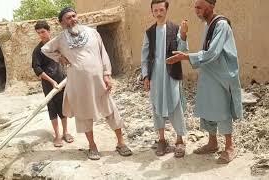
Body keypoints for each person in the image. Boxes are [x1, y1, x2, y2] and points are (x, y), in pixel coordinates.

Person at [41, 7, 132, 160]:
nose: (73, 19)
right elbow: (45, 49)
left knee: (110, 110)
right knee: (84, 115)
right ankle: (92, 146)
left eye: (74, 16)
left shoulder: (92, 33)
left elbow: (104, 54)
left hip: (98, 82)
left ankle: (121, 143)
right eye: (68, 18)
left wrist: (107, 74)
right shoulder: (61, 39)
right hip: (78, 85)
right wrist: (60, 58)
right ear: (62, 23)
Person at [166, 0, 243, 164]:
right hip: (209, 74)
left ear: (211, 6)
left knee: (222, 109)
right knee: (207, 106)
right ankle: (212, 142)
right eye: (195, 7)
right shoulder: (209, 25)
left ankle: (230, 147)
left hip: (221, 75)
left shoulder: (221, 24)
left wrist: (186, 57)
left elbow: (213, 53)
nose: (196, 10)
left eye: (200, 6)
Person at [141, 0, 189, 158]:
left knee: (176, 104)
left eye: (161, 10)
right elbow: (145, 55)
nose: (159, 13)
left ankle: (180, 140)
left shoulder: (175, 28)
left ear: (166, 10)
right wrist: (146, 76)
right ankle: (161, 139)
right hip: (156, 76)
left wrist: (183, 34)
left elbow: (182, 51)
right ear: (152, 12)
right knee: (156, 105)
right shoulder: (149, 32)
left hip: (171, 74)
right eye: (156, 10)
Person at [32, 20, 74, 148]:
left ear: (48, 31)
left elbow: (67, 58)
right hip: (48, 84)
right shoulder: (38, 50)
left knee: (63, 107)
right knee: (52, 108)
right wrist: (52, 81)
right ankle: (57, 135)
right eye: (39, 33)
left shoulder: (57, 45)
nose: (41, 35)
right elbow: (37, 69)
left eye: (43, 32)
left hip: (62, 80)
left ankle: (66, 132)